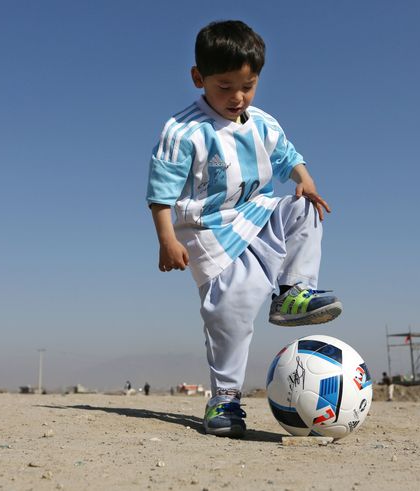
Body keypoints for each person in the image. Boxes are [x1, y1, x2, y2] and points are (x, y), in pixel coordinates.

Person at [147, 20, 342, 438]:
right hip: (208, 232)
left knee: (304, 207)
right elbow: (160, 190)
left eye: (248, 85)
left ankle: (293, 292)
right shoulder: (183, 131)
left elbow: (288, 154)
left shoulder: (263, 124)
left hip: (256, 212)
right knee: (229, 312)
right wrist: (166, 239)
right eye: (224, 86)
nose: (237, 97)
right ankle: (225, 399)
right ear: (198, 78)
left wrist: (303, 177)